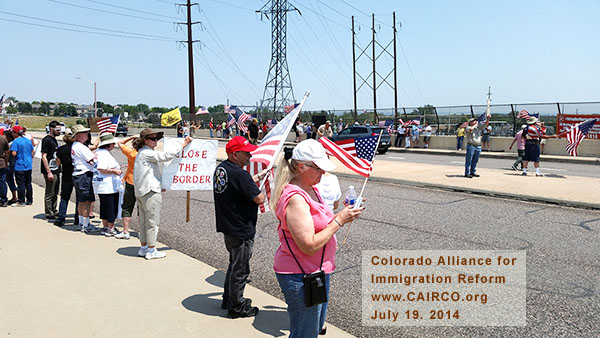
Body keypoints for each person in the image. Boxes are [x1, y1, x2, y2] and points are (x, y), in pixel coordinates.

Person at [271, 139, 363, 337]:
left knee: (313, 328)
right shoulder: (296, 197)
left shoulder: (311, 189)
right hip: (300, 274)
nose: (323, 173)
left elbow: (323, 220)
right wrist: (339, 221)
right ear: (302, 167)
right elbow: (308, 245)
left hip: (315, 271)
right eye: (319, 168)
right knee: (304, 333)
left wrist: (343, 214)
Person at [213, 136, 266, 318]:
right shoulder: (240, 174)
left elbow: (237, 186)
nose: (250, 156)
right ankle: (236, 307)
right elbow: (259, 199)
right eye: (246, 153)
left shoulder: (222, 169)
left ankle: (228, 299)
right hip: (241, 228)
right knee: (241, 269)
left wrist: (255, 178)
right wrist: (259, 190)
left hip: (229, 226)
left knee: (234, 264)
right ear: (235, 154)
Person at [134, 129, 192, 259]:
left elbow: (149, 173)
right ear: (145, 141)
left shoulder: (142, 153)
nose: (155, 141)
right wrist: (184, 144)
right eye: (152, 139)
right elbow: (166, 156)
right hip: (150, 191)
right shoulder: (147, 153)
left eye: (156, 139)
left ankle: (144, 247)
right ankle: (151, 249)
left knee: (144, 222)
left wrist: (160, 184)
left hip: (142, 191)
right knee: (152, 222)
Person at [71, 125, 99, 232]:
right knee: (87, 200)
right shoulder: (80, 147)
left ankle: (82, 222)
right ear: (78, 135)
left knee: (81, 200)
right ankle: (86, 224)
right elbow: (92, 159)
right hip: (84, 175)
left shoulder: (76, 146)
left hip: (79, 174)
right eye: (84, 132)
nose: (87, 134)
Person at [94, 133, 123, 237]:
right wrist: (114, 171)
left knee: (104, 207)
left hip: (101, 184)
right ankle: (110, 227)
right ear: (109, 144)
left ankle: (106, 226)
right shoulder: (104, 154)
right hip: (107, 186)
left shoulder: (99, 152)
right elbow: (101, 168)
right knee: (111, 207)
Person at [116, 135, 142, 239]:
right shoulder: (145, 154)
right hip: (142, 183)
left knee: (127, 207)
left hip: (131, 181)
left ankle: (125, 231)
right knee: (142, 209)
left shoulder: (131, 153)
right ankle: (142, 232)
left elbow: (120, 143)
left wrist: (131, 137)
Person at [53, 131, 78, 227]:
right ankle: (77, 218)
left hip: (66, 174)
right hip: (77, 173)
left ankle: (61, 218)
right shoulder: (77, 148)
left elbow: (58, 163)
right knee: (79, 198)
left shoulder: (61, 149)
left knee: (64, 197)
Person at [41, 121, 61, 220]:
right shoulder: (46, 140)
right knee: (50, 192)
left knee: (55, 191)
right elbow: (44, 156)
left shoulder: (55, 140)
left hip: (56, 169)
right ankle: (48, 212)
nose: (59, 132)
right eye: (57, 130)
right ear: (51, 129)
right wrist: (48, 172)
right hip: (50, 170)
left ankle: (54, 209)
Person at [10, 126, 34, 207]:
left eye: (13, 132)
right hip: (28, 164)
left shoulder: (16, 142)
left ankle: (21, 201)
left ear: (16, 133)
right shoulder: (28, 141)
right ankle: (30, 200)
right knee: (28, 183)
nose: (12, 134)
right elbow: (32, 151)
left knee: (21, 184)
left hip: (19, 165)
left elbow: (14, 153)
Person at [0, 131, 9, 207]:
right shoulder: (3, 139)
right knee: (2, 182)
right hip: (1, 163)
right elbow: (7, 153)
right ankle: (3, 200)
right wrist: (6, 163)